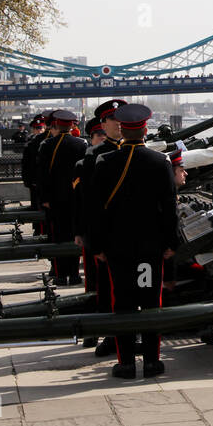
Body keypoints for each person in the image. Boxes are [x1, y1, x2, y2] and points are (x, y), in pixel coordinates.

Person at [88, 103, 178, 379]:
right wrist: (170, 244)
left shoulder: (105, 162)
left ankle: (126, 362)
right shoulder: (159, 162)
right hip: (149, 248)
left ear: (122, 130)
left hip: (117, 248)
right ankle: (151, 361)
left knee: (122, 302)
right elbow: (168, 208)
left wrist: (98, 247)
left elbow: (97, 209)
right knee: (150, 299)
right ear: (145, 130)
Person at [72, 99, 127, 356]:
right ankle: (110, 336)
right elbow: (89, 201)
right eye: (112, 119)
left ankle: (129, 334)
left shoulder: (135, 149)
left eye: (121, 118)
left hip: (132, 232)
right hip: (108, 232)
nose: (118, 123)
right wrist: (88, 236)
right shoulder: (94, 155)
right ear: (103, 125)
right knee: (105, 287)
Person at [37, 110, 87, 285]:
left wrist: (44, 198)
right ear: (72, 125)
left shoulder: (47, 145)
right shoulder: (81, 144)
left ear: (56, 125)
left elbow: (42, 175)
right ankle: (74, 273)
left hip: (55, 200)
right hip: (74, 198)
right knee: (74, 236)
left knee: (57, 237)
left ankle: (59, 273)